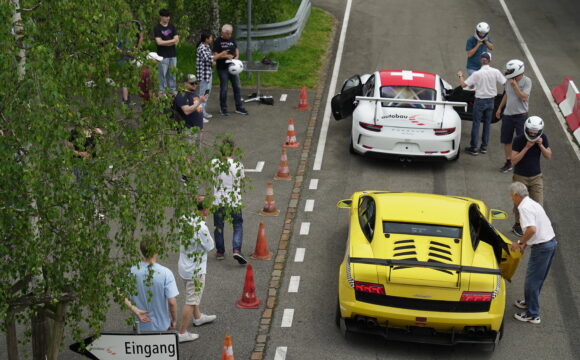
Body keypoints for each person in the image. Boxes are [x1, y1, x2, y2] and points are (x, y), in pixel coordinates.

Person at [508, 181, 557, 324]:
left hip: (542, 248)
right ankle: (529, 302)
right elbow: (538, 229)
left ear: (517, 195)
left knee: (532, 281)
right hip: (550, 243)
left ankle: (533, 314)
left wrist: (519, 243)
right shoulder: (533, 203)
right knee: (537, 279)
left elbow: (532, 229)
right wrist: (525, 244)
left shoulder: (524, 208)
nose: (512, 199)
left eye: (512, 196)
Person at [177, 197, 217, 343]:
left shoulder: (184, 219)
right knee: (191, 300)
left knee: (192, 295)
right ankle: (182, 332)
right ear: (205, 210)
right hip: (196, 268)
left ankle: (198, 317)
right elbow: (210, 246)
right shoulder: (201, 228)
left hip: (184, 264)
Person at [457, 52, 506, 155]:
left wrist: (460, 75)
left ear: (481, 60)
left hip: (479, 101)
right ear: (489, 60)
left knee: (476, 124)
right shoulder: (496, 72)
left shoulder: (477, 74)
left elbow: (463, 85)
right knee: (487, 124)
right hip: (491, 101)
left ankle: (474, 148)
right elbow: (505, 83)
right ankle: (484, 147)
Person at [511, 116, 552, 236]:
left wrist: (541, 146)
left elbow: (548, 155)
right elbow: (514, 160)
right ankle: (518, 224)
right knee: (520, 204)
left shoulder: (543, 138)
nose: (533, 134)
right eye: (531, 132)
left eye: (535, 133)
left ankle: (536, 225)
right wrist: (526, 147)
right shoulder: (518, 140)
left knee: (538, 203)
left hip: (536, 176)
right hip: (520, 176)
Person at [127, 238, 179, 331]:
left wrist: (134, 309)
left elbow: (119, 293)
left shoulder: (132, 271)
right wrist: (174, 320)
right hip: (161, 326)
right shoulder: (166, 273)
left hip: (140, 325)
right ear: (156, 251)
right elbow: (172, 302)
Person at [212, 138, 247, 264]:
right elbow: (242, 180)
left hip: (218, 200)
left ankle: (220, 251)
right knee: (237, 225)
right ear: (233, 150)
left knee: (219, 226)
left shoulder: (215, 163)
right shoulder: (238, 165)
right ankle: (236, 249)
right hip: (234, 200)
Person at [497, 59, 532, 172]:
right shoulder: (509, 81)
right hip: (508, 115)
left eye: (510, 71)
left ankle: (521, 162)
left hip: (521, 116)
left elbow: (524, 97)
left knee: (521, 140)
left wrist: (515, 86)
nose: (507, 72)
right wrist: (499, 108)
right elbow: (507, 94)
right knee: (506, 140)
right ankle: (509, 162)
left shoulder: (527, 81)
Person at [213, 24, 248, 116]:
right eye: (227, 34)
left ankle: (239, 107)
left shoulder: (232, 39)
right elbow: (215, 54)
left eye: (230, 34)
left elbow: (236, 49)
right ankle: (223, 108)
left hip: (234, 67)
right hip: (223, 68)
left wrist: (237, 56)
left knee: (237, 87)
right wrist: (225, 56)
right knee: (224, 88)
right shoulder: (217, 41)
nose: (229, 35)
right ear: (223, 33)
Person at [197, 31, 227, 120]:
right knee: (202, 94)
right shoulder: (201, 48)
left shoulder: (207, 47)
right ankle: (199, 115)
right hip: (203, 75)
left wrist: (213, 62)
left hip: (208, 73)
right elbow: (209, 58)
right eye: (210, 37)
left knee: (207, 93)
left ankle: (203, 111)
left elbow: (209, 60)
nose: (212, 39)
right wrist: (221, 54)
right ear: (206, 39)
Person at [174, 74, 208, 146]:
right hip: (188, 130)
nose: (195, 85)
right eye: (192, 83)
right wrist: (199, 102)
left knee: (195, 154)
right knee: (188, 155)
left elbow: (199, 111)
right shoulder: (182, 95)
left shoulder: (194, 94)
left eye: (196, 83)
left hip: (197, 129)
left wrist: (201, 128)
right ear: (185, 83)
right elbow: (186, 111)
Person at [117, 21, 143, 105]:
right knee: (125, 78)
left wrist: (136, 50)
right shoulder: (121, 34)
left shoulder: (134, 33)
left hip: (133, 58)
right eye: (126, 23)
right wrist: (124, 52)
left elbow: (139, 41)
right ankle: (125, 99)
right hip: (124, 58)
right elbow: (117, 47)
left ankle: (128, 96)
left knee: (132, 78)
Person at [154, 9, 179, 94]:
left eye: (168, 16)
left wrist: (166, 42)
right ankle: (162, 92)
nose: (168, 18)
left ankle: (172, 91)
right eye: (166, 16)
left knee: (172, 75)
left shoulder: (172, 27)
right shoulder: (157, 28)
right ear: (161, 17)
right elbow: (159, 42)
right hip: (162, 56)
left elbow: (177, 39)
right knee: (162, 75)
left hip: (172, 55)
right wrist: (171, 41)